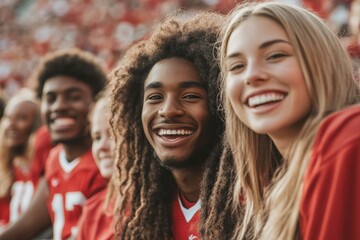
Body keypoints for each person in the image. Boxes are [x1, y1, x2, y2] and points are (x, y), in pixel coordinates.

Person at [219, 2, 360, 240]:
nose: (252, 75)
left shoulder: (350, 137)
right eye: (237, 66)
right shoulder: (264, 191)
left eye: (275, 55)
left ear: (323, 62)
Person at [109, 10, 236, 239]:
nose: (168, 110)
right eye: (155, 97)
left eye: (190, 96)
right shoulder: (143, 212)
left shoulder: (253, 206)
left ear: (222, 105)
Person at [0, 48, 108, 240]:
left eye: (73, 97)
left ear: (96, 103)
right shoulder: (55, 158)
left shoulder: (105, 161)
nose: (59, 106)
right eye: (50, 98)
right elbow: (27, 225)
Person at [0, 89, 42, 231]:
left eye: (21, 118)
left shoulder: (43, 166)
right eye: (7, 117)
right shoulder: (6, 169)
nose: (11, 124)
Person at [76, 95, 116, 240]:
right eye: (97, 137)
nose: (102, 147)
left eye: (112, 135)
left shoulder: (161, 203)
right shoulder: (92, 209)